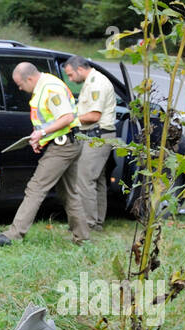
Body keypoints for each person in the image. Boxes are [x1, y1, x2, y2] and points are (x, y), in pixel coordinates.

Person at [0, 62, 90, 246]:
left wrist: (41, 134)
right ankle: (83, 239)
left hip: (63, 145)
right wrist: (40, 139)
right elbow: (49, 120)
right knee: (69, 193)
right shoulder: (44, 86)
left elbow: (66, 118)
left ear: (30, 78)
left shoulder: (51, 89)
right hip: (66, 142)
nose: (20, 88)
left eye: (20, 84)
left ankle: (13, 235)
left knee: (36, 188)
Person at [63, 56, 118, 230]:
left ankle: (87, 224)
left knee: (84, 179)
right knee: (97, 180)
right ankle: (97, 222)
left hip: (97, 136)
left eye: (71, 75)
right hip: (97, 136)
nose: (70, 79)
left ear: (80, 69)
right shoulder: (91, 81)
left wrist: (70, 120)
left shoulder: (97, 83)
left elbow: (94, 116)